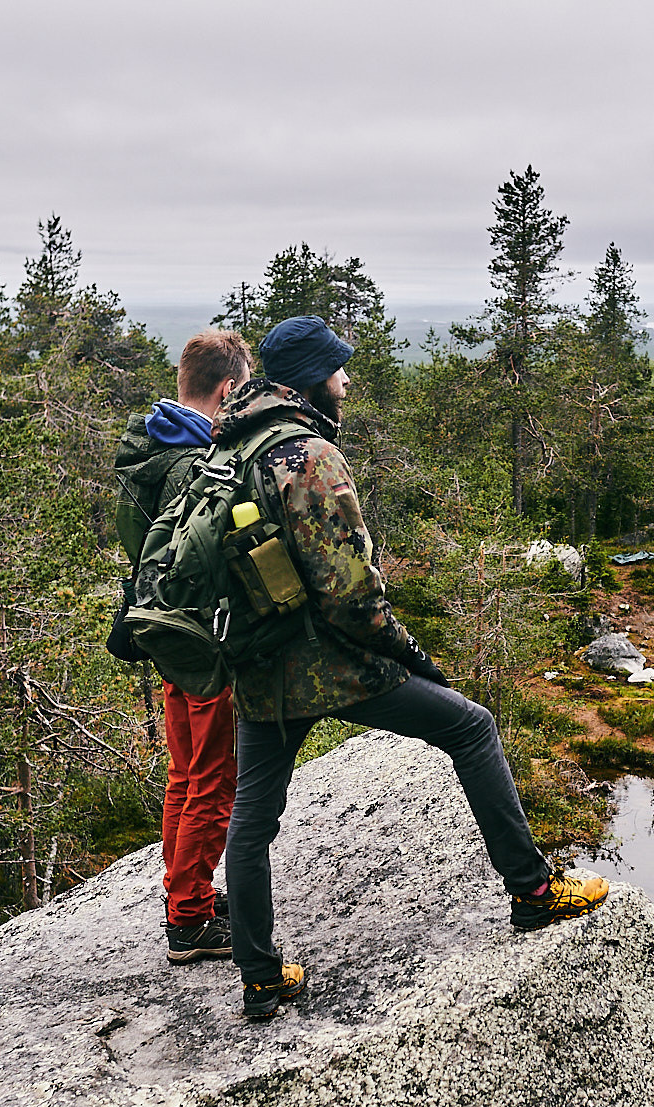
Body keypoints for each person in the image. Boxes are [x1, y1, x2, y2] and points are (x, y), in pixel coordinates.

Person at [213, 315, 609, 1021]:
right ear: (311, 379)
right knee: (472, 727)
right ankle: (533, 892)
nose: (346, 381)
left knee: (252, 817)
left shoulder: (230, 446)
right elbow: (349, 593)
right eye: (338, 369)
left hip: (258, 663)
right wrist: (410, 654)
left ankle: (260, 977)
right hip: (329, 664)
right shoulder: (308, 456)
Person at [112, 328, 254, 964]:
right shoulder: (197, 466)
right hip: (203, 636)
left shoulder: (148, 447)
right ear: (226, 389)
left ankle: (184, 895)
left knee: (185, 773)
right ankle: (190, 918)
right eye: (241, 391)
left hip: (163, 632)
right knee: (214, 779)